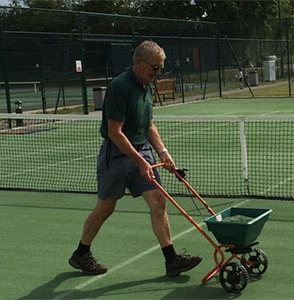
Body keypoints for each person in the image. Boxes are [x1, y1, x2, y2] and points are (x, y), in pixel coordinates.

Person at [68, 40, 202, 277]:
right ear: (138, 64)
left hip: (143, 153)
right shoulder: (120, 87)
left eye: (161, 68)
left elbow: (148, 124)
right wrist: (139, 161)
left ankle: (171, 260)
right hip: (117, 155)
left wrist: (163, 153)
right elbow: (114, 132)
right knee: (106, 207)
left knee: (158, 201)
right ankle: (81, 253)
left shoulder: (147, 86)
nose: (158, 73)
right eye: (155, 67)